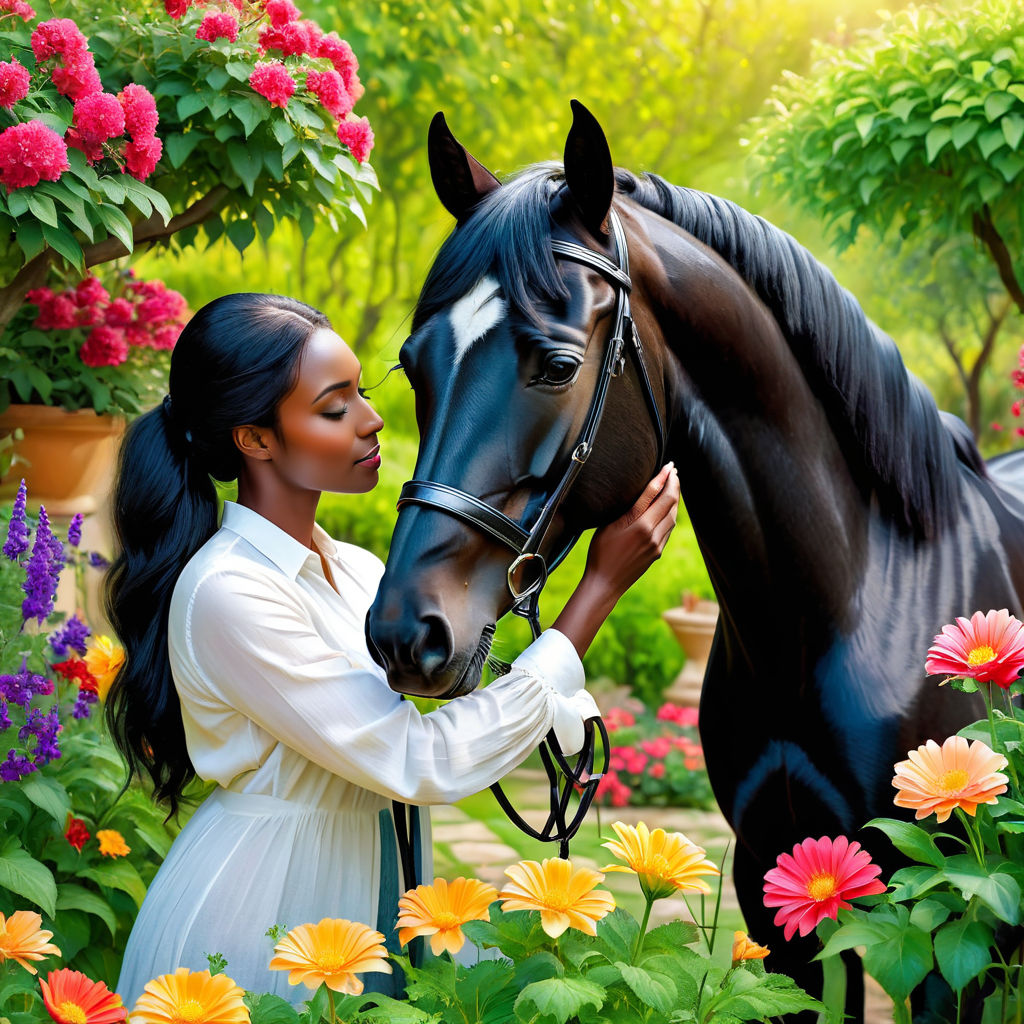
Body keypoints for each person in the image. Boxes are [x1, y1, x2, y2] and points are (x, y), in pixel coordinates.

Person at [106, 292, 681, 1006]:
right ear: (254, 439)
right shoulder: (230, 593)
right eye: (334, 406)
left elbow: (456, 698)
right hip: (270, 909)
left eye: (363, 392)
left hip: (383, 881)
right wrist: (599, 589)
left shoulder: (354, 570)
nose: (373, 420)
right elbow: (418, 759)